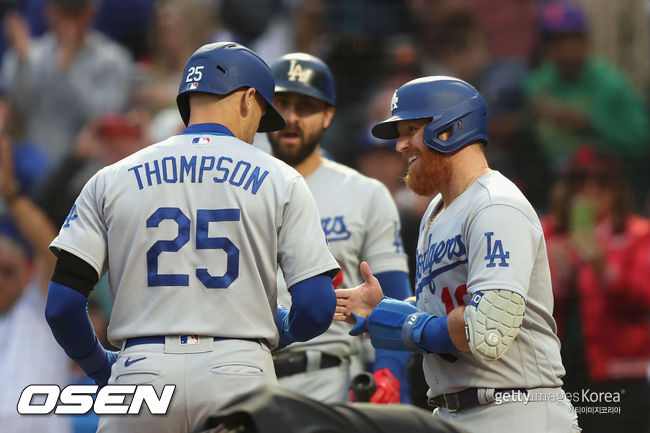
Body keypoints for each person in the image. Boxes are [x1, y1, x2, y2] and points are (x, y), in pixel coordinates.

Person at [43, 42, 340, 433]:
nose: (257, 131)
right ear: (249, 99)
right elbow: (317, 308)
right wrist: (282, 327)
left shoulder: (111, 177)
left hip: (141, 371)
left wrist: (102, 368)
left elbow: (62, 305)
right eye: (262, 115)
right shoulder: (280, 178)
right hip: (239, 371)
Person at [335, 76, 580, 432]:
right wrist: (382, 309)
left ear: (450, 129)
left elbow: (488, 331)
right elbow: (440, 313)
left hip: (516, 409)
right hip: (455, 410)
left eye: (411, 130)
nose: (401, 145)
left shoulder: (496, 204)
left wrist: (406, 324)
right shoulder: (438, 210)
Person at [266, 52, 411, 403]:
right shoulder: (234, 185)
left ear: (329, 115)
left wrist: (389, 371)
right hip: (246, 374)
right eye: (282, 103)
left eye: (307, 106)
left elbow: (394, 298)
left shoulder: (365, 193)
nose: (292, 117)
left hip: (332, 379)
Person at [542, 147, 650, 432]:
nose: (591, 189)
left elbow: (642, 302)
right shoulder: (548, 234)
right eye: (579, 180)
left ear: (617, 188)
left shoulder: (638, 234)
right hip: (562, 372)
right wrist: (554, 279)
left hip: (619, 373)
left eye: (602, 180)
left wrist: (604, 269)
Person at [2, 0, 134, 169]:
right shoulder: (31, 55)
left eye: (76, 13)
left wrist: (68, 73)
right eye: (63, 12)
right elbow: (18, 111)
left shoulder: (114, 59)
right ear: (49, 12)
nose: (69, 22)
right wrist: (22, 64)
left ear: (91, 12)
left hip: (90, 173)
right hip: (38, 174)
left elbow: (104, 117)